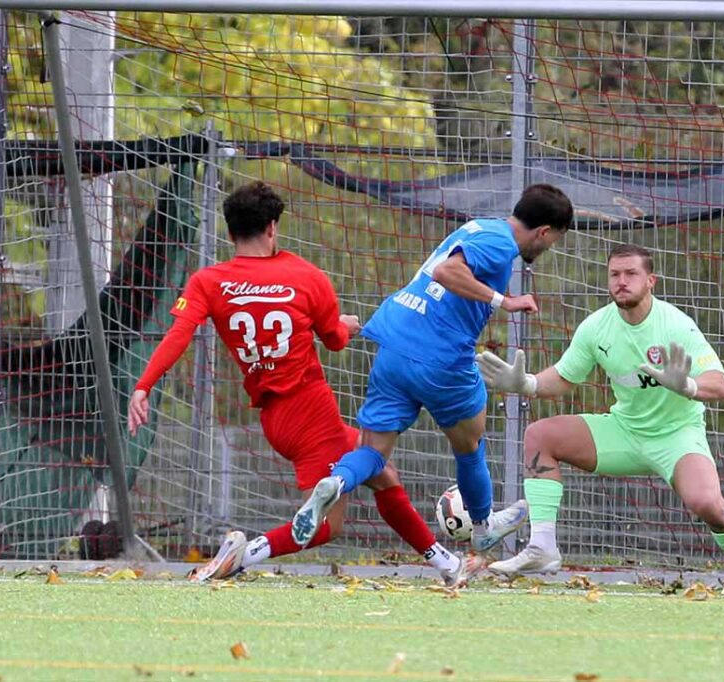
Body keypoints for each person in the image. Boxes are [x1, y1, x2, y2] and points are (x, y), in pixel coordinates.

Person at [128, 181, 477, 586]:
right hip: (311, 410)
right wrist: (345, 326)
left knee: (383, 472)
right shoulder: (305, 275)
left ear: (229, 232)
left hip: (276, 418)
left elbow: (179, 334)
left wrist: (144, 386)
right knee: (326, 528)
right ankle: (245, 554)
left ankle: (447, 565)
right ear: (273, 227)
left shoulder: (209, 281)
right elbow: (334, 342)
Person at [476, 243, 724, 591]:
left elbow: (718, 386)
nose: (621, 281)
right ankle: (542, 546)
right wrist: (527, 383)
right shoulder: (596, 327)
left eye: (631, 274)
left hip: (677, 435)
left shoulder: (676, 324)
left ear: (651, 280)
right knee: (540, 435)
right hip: (625, 431)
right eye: (615, 274)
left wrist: (687, 386)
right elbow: (565, 378)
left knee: (707, 504)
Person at [291, 184, 575, 557]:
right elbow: (446, 272)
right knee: (470, 445)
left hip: (394, 342)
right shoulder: (501, 244)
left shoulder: (478, 226)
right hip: (440, 357)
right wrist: (504, 301)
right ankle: (484, 527)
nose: (548, 247)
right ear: (544, 231)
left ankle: (336, 481)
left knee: (374, 451)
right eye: (553, 240)